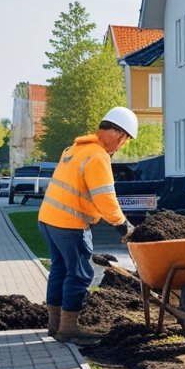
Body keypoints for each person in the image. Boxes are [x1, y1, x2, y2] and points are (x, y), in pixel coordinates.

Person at [37, 106, 139, 343]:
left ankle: (54, 324)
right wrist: (122, 225)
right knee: (81, 274)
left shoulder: (75, 148)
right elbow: (105, 198)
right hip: (69, 224)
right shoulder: (97, 156)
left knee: (60, 270)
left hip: (49, 219)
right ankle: (68, 328)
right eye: (123, 139)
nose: (121, 145)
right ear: (117, 133)